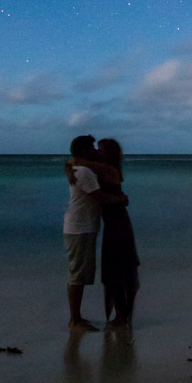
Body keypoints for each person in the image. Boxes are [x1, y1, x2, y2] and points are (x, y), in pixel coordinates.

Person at [63, 134, 128, 332]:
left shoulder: (82, 169)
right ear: (84, 151)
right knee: (78, 274)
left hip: (84, 226)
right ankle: (75, 320)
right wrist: (122, 199)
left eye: (99, 149)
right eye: (92, 148)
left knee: (81, 273)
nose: (95, 152)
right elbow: (100, 198)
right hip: (80, 227)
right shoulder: (84, 172)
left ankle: (78, 318)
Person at [95, 137, 140, 329]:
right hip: (118, 222)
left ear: (109, 153)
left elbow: (78, 162)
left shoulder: (107, 169)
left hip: (117, 224)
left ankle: (122, 316)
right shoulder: (111, 169)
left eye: (100, 150)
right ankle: (123, 314)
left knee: (116, 268)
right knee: (121, 267)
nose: (97, 153)